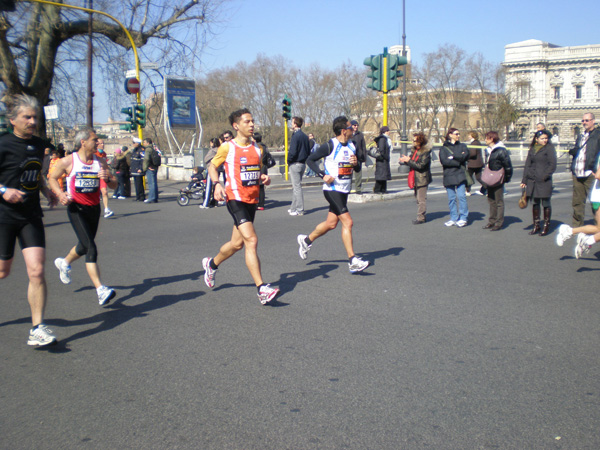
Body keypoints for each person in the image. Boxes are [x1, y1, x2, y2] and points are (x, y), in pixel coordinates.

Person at [201, 108, 279, 305]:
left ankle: (211, 264)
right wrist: (217, 184)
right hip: (235, 199)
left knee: (236, 244)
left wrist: (264, 178)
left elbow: (255, 173)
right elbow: (212, 166)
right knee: (251, 240)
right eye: (247, 122)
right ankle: (261, 288)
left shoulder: (257, 148)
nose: (251, 125)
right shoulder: (228, 147)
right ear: (236, 126)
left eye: (252, 121)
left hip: (251, 200)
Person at [0, 94, 58, 347]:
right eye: (28, 117)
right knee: (3, 271)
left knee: (37, 270)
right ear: (13, 120)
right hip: (4, 216)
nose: (33, 121)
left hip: (31, 215)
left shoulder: (39, 143)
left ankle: (37, 328)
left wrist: (46, 190)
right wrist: (4, 191)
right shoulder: (2, 144)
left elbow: (35, 173)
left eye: (35, 117)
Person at [49, 128, 118, 306]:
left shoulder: (100, 161)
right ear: (83, 142)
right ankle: (100, 289)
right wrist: (60, 193)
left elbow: (114, 186)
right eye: (95, 140)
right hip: (76, 208)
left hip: (93, 209)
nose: (98, 143)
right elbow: (52, 178)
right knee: (91, 247)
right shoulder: (68, 161)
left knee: (83, 245)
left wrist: (108, 179)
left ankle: (64, 262)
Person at [296, 116, 369, 274]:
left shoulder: (353, 145)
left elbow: (355, 170)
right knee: (348, 222)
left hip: (344, 190)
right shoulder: (330, 145)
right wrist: (323, 175)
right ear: (344, 131)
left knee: (331, 224)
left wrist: (356, 163)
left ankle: (306, 240)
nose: (353, 129)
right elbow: (310, 160)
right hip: (332, 189)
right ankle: (352, 260)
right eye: (350, 127)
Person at [556, 157, 600, 258]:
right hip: (599, 197)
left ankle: (570, 232)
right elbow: (598, 175)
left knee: (598, 228)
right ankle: (587, 240)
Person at [520, 129, 557, 236]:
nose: (544, 140)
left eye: (546, 138)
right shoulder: (532, 149)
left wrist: (545, 176)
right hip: (533, 179)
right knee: (535, 203)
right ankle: (536, 225)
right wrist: (524, 180)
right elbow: (528, 164)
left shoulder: (549, 148)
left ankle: (546, 226)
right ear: (536, 139)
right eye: (542, 138)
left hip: (544, 180)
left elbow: (552, 165)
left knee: (545, 203)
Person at [569, 113, 600, 227]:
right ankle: (577, 226)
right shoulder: (581, 135)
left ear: (593, 121)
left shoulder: (598, 135)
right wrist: (573, 151)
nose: (584, 123)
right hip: (578, 172)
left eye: (587, 120)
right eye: (583, 120)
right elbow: (579, 149)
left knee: (595, 202)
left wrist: (596, 170)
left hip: (590, 173)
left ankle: (598, 226)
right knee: (577, 202)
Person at [482, 131, 513, 231]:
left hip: (498, 178)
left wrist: (506, 178)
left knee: (499, 200)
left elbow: (508, 165)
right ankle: (492, 220)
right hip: (490, 177)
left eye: (486, 138)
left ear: (492, 139)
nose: (485, 140)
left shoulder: (501, 150)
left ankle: (499, 223)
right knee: (491, 200)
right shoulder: (488, 150)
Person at [399, 132, 432, 224]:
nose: (413, 142)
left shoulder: (425, 152)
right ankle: (421, 216)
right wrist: (405, 160)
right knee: (417, 198)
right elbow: (411, 161)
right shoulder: (414, 151)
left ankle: (421, 217)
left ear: (420, 142)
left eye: (415, 140)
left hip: (422, 178)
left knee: (421, 199)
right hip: (415, 177)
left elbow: (420, 166)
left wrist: (409, 161)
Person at [440, 128, 470, 227]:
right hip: (449, 175)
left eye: (459, 134)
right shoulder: (444, 148)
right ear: (450, 135)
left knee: (461, 197)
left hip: (460, 174)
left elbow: (465, 156)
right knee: (451, 198)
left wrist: (453, 157)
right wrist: (458, 159)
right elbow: (445, 161)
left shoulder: (462, 146)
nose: (458, 136)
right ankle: (453, 217)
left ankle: (463, 217)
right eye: (456, 134)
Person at [287, 116, 310, 216]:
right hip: (302, 163)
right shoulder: (305, 136)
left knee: (297, 187)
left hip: (295, 163)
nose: (291, 124)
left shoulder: (295, 136)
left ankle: (299, 209)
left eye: (292, 122)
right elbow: (308, 150)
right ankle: (293, 208)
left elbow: (293, 151)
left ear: (295, 124)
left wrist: (289, 160)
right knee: (296, 186)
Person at [253, 131, 273, 210]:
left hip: (260, 167)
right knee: (261, 186)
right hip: (264, 167)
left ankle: (259, 204)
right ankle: (261, 204)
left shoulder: (259, 147)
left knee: (259, 186)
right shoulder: (264, 146)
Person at [95, 138, 113, 218]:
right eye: (101, 143)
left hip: (102, 175)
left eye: (103, 143)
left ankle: (106, 209)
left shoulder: (104, 154)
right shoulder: (94, 153)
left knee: (104, 191)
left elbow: (105, 164)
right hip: (95, 175)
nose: (103, 145)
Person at [200, 137, 221, 209]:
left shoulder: (213, 150)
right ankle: (215, 202)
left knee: (208, 187)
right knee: (215, 186)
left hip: (211, 169)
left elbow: (206, 159)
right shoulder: (220, 149)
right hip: (217, 169)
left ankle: (206, 203)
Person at [373, 126, 392, 194]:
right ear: (384, 132)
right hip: (382, 160)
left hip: (384, 160)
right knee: (381, 175)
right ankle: (378, 189)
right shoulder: (382, 139)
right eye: (388, 131)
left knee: (384, 176)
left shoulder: (385, 139)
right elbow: (381, 150)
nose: (389, 132)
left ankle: (383, 189)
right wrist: (385, 156)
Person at [465, 131, 485, 196]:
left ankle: (468, 191)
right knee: (479, 177)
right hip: (478, 163)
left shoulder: (474, 143)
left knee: (469, 177)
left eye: (469, 135)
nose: (468, 136)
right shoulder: (478, 142)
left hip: (473, 164)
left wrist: (466, 156)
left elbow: (473, 153)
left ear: (472, 136)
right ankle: (486, 188)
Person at [350, 120, 367, 195]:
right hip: (350, 157)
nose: (356, 127)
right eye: (354, 125)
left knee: (358, 174)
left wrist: (364, 156)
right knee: (349, 174)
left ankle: (358, 188)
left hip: (358, 157)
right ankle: (348, 189)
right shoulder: (348, 134)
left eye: (357, 125)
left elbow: (363, 146)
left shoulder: (360, 135)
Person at [143, 138, 159, 203]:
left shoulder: (148, 149)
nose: (143, 144)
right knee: (154, 183)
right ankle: (155, 197)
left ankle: (151, 198)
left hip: (150, 168)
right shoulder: (153, 148)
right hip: (154, 167)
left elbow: (146, 159)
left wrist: (145, 168)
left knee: (151, 184)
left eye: (144, 142)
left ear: (148, 143)